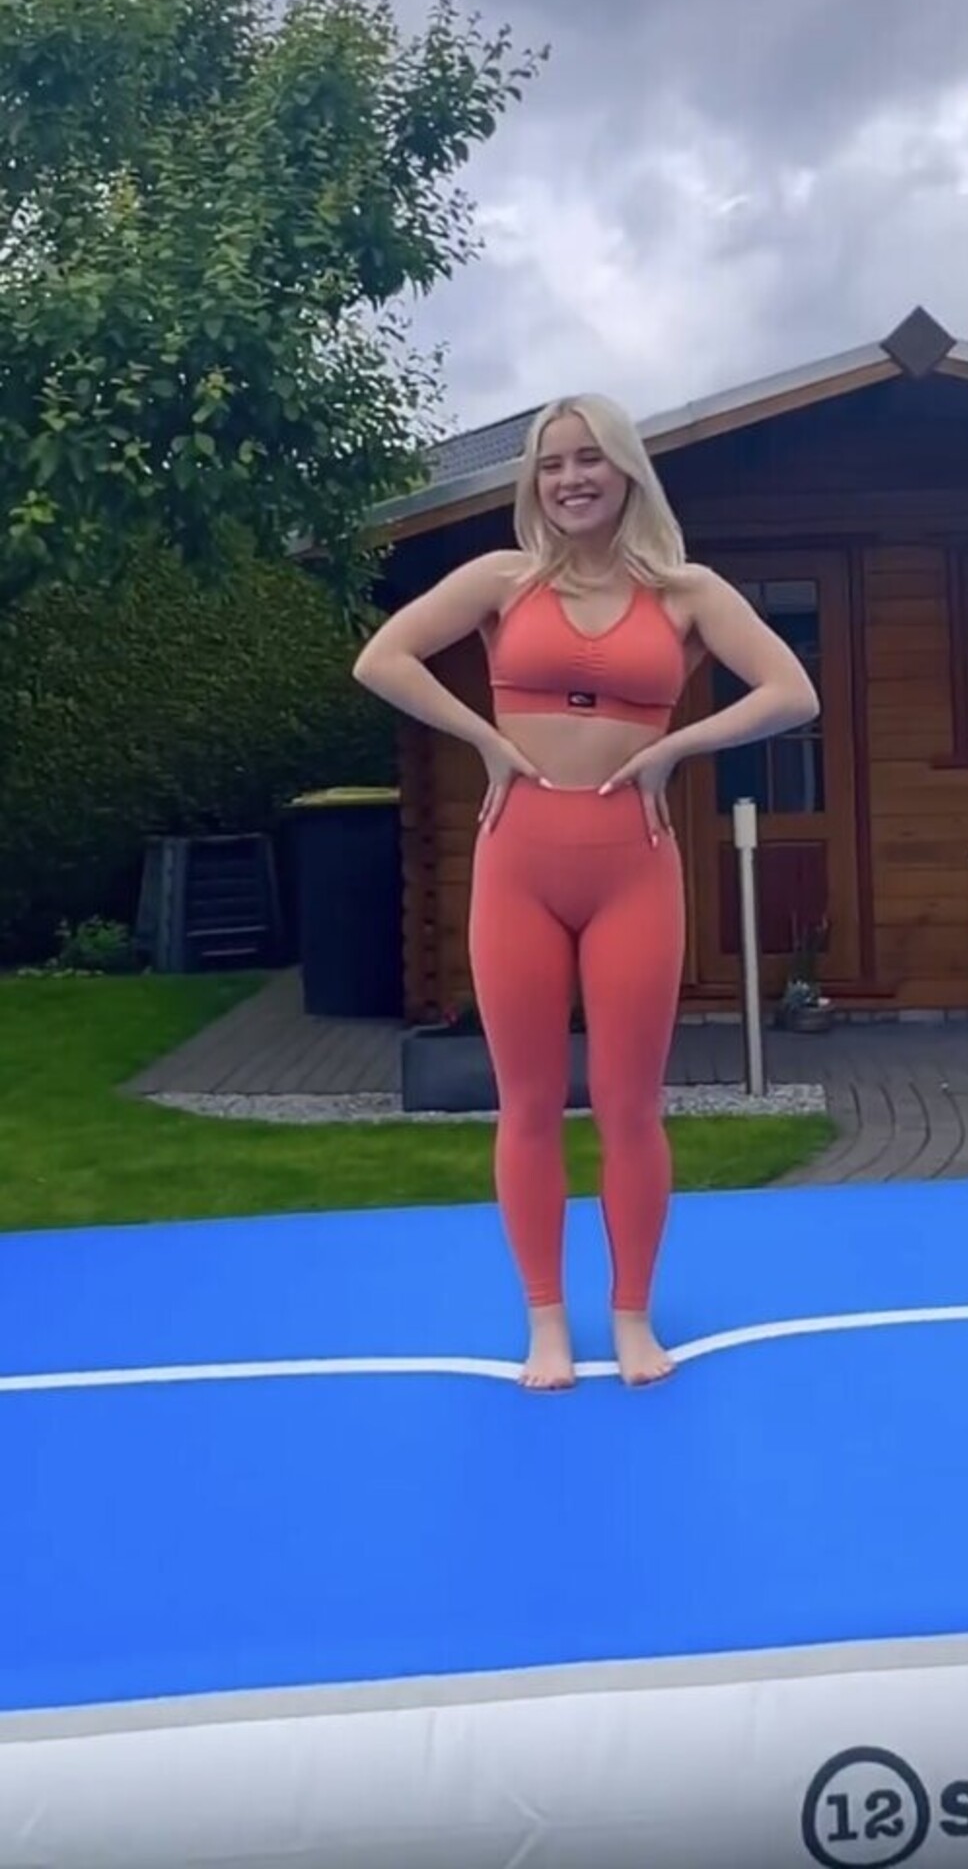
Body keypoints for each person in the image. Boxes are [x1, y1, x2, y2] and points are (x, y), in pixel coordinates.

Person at [353, 394, 818, 1391]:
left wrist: (676, 748)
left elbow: (792, 691)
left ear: (626, 471)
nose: (570, 479)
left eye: (589, 460)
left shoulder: (685, 592)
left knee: (629, 1103)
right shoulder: (502, 580)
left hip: (631, 864)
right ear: (535, 480)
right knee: (526, 1101)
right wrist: (483, 739)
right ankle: (547, 1321)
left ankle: (633, 1314)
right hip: (519, 860)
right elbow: (381, 658)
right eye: (552, 463)